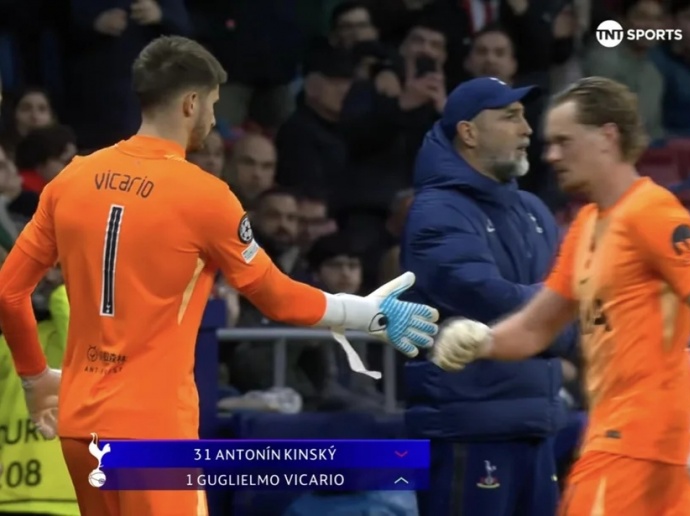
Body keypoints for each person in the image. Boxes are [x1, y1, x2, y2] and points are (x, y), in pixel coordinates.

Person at [0, 36, 439, 516]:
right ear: (191, 102)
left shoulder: (71, 179)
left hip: (80, 424)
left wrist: (34, 378)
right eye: (211, 104)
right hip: (153, 430)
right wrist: (369, 314)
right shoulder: (205, 196)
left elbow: (8, 292)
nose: (212, 120)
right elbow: (277, 297)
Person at [431, 76, 690, 515]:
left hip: (636, 445)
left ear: (607, 136)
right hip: (638, 443)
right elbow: (535, 327)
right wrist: (481, 341)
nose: (550, 155)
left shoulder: (652, 212)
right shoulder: (586, 225)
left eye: (564, 141)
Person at [400, 77, 577, 516]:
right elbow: (487, 300)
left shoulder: (534, 210)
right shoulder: (437, 209)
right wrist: (559, 314)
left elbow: (567, 303)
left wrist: (556, 314)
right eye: (510, 117)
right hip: (466, 427)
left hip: (536, 425)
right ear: (469, 132)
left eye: (525, 117)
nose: (527, 130)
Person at [0, 264, 79, 516]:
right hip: (10, 496)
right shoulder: (10, 340)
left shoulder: (82, 332)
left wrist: (62, 291)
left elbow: (85, 347)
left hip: (69, 500)